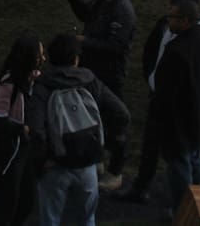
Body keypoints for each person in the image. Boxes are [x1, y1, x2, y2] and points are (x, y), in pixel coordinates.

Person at [29, 34, 130, 226]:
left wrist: (42, 160)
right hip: (87, 164)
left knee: (50, 219)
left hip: (55, 166)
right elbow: (122, 114)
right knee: (86, 219)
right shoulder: (90, 81)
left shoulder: (43, 86)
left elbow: (36, 129)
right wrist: (103, 142)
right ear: (76, 58)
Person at [118, 0, 200, 206]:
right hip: (160, 96)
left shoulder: (197, 38)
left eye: (174, 1)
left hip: (178, 105)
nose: (169, 5)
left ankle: (197, 200)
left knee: (183, 156)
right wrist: (151, 79)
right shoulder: (166, 25)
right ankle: (143, 187)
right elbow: (150, 51)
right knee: (153, 145)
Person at [63, 0, 136, 191]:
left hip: (110, 74)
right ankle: (99, 161)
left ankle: (116, 171)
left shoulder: (122, 10)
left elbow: (117, 46)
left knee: (117, 120)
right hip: (93, 70)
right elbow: (87, 15)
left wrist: (86, 42)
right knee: (97, 117)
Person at [151, 0, 200, 217]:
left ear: (185, 21)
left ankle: (183, 208)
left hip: (179, 116)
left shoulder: (177, 49)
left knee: (179, 161)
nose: (168, 20)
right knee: (194, 155)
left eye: (171, 16)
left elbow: (165, 88)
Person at [0, 35, 44, 226]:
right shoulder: (8, 85)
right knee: (7, 203)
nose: (43, 59)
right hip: (9, 151)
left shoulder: (31, 81)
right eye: (39, 55)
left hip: (23, 149)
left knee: (26, 201)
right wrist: (21, 128)